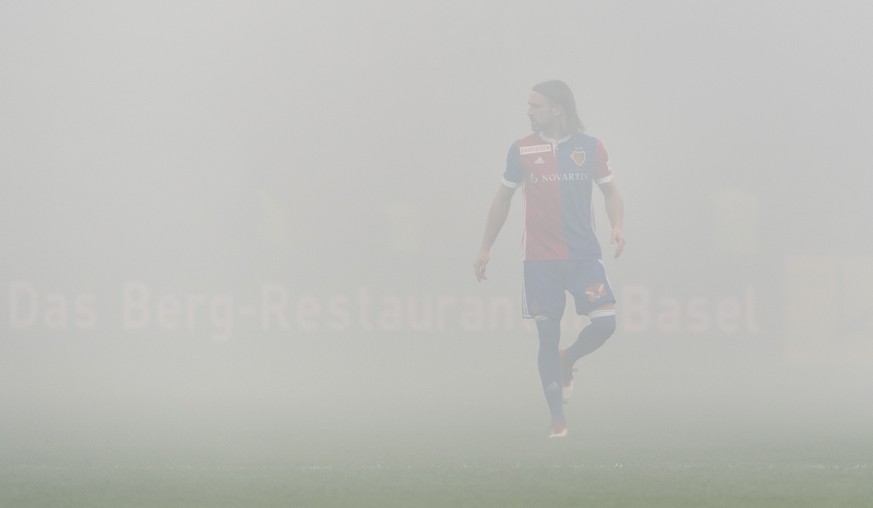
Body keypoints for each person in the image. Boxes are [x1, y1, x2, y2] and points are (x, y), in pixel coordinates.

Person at [473, 80, 625, 438]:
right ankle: (558, 419)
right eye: (528, 105)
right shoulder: (522, 150)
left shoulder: (590, 147)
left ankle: (567, 359)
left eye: (536, 106)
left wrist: (618, 226)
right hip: (539, 260)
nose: (528, 112)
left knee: (605, 324)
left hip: (583, 255)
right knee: (545, 335)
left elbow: (611, 190)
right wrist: (485, 247)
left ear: (558, 109)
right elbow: (503, 199)